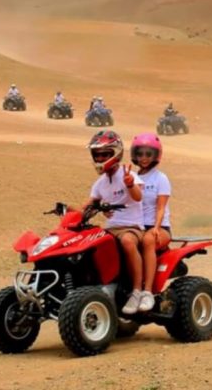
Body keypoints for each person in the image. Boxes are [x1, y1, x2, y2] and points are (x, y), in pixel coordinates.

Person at [81, 130, 146, 315]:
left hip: (131, 227)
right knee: (87, 244)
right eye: (97, 154)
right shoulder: (100, 183)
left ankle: (137, 292)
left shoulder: (129, 175)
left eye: (105, 154)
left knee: (127, 242)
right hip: (110, 229)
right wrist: (69, 211)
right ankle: (99, 286)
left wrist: (130, 184)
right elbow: (87, 205)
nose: (100, 158)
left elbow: (138, 197)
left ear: (116, 153)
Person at [132, 133, 171, 313]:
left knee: (148, 241)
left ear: (156, 156)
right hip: (137, 226)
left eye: (148, 154)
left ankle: (147, 292)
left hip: (160, 227)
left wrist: (156, 227)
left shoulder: (160, 178)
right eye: (140, 154)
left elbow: (161, 207)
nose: (144, 158)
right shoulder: (132, 177)